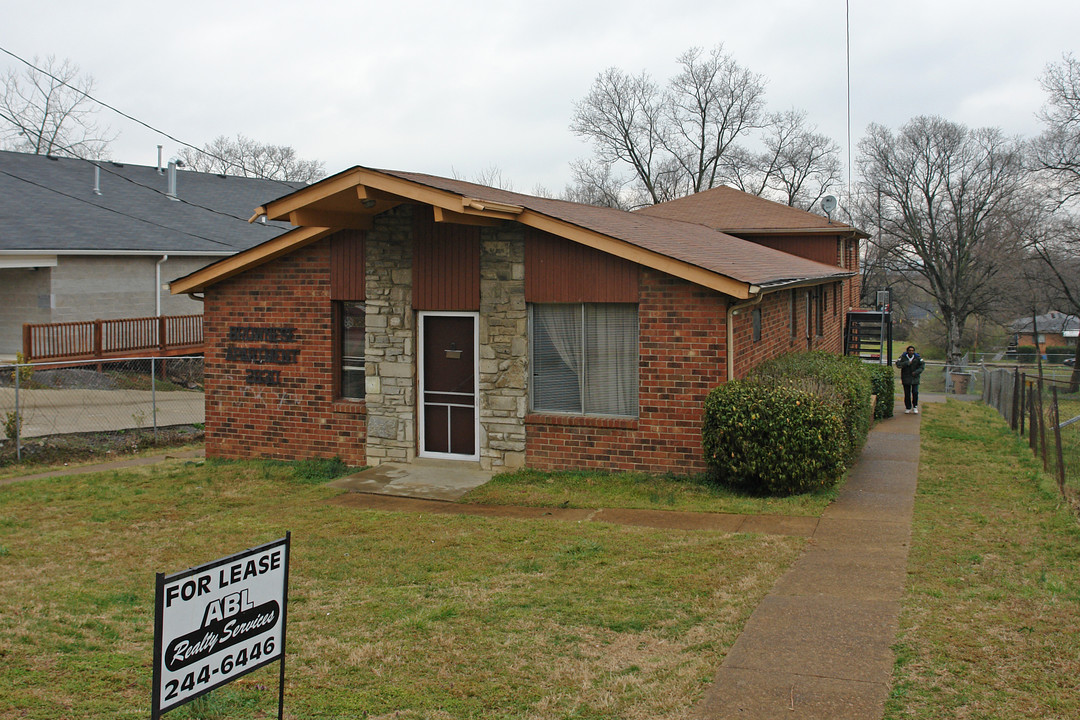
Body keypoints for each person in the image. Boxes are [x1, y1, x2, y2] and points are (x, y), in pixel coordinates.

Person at [896, 345, 925, 414]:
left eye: (912, 351)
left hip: (915, 378)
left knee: (915, 392)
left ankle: (915, 406)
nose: (911, 352)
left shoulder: (918, 358)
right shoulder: (903, 357)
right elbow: (898, 364)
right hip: (906, 377)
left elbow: (922, 367)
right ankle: (908, 407)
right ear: (907, 351)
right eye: (910, 351)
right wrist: (907, 363)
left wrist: (916, 372)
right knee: (907, 393)